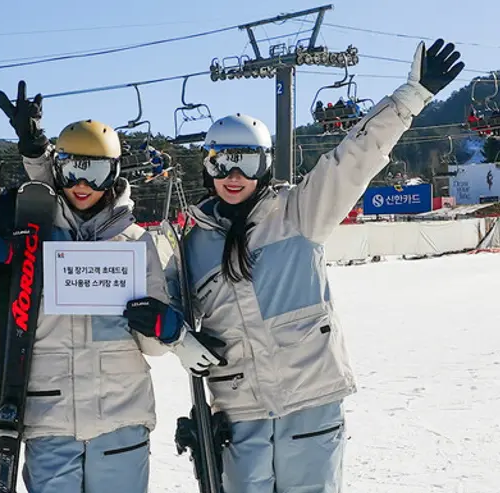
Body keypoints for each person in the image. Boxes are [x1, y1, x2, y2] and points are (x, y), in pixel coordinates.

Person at [165, 38, 463, 493]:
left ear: (264, 166)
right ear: (207, 166)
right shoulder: (191, 246)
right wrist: (179, 338)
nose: (232, 174)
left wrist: (412, 95)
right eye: (221, 161)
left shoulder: (300, 211)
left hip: (310, 406)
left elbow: (355, 158)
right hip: (240, 415)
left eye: (245, 161)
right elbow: (162, 309)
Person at [0, 88, 222, 493]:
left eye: (95, 173)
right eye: (72, 172)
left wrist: (164, 327)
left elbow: (151, 349)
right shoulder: (31, 235)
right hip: (50, 418)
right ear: (57, 172)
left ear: (114, 174)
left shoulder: (135, 242)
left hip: (120, 416)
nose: (83, 185)